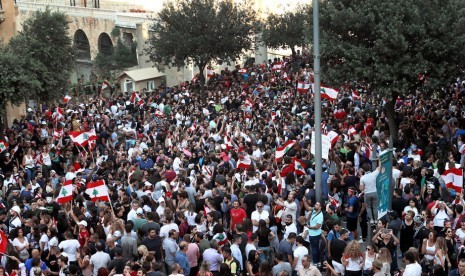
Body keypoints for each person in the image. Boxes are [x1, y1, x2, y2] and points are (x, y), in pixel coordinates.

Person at [307, 201, 324, 267]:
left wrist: (309, 227)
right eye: (315, 204)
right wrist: (305, 200)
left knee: (314, 249)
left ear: (320, 207)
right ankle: (318, 262)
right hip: (316, 234)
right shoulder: (315, 210)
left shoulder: (320, 215)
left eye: (317, 204)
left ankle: (315, 262)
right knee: (316, 248)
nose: (315, 205)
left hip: (314, 234)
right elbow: (308, 207)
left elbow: (317, 226)